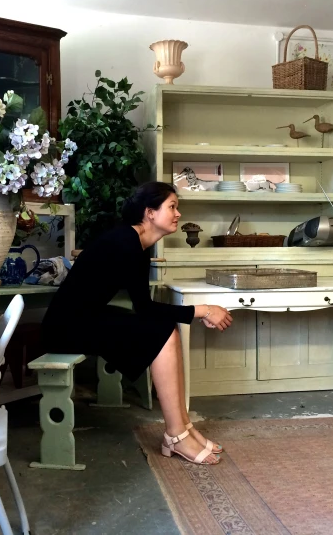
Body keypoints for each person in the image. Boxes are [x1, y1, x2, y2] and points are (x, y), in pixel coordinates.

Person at [41, 181, 233, 465]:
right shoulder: (125, 242)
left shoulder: (140, 244)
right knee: (160, 331)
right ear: (150, 213)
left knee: (164, 328)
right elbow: (146, 309)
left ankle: (183, 427)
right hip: (67, 327)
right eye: (172, 207)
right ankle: (176, 434)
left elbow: (144, 307)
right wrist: (203, 310)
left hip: (87, 318)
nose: (178, 213)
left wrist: (197, 312)